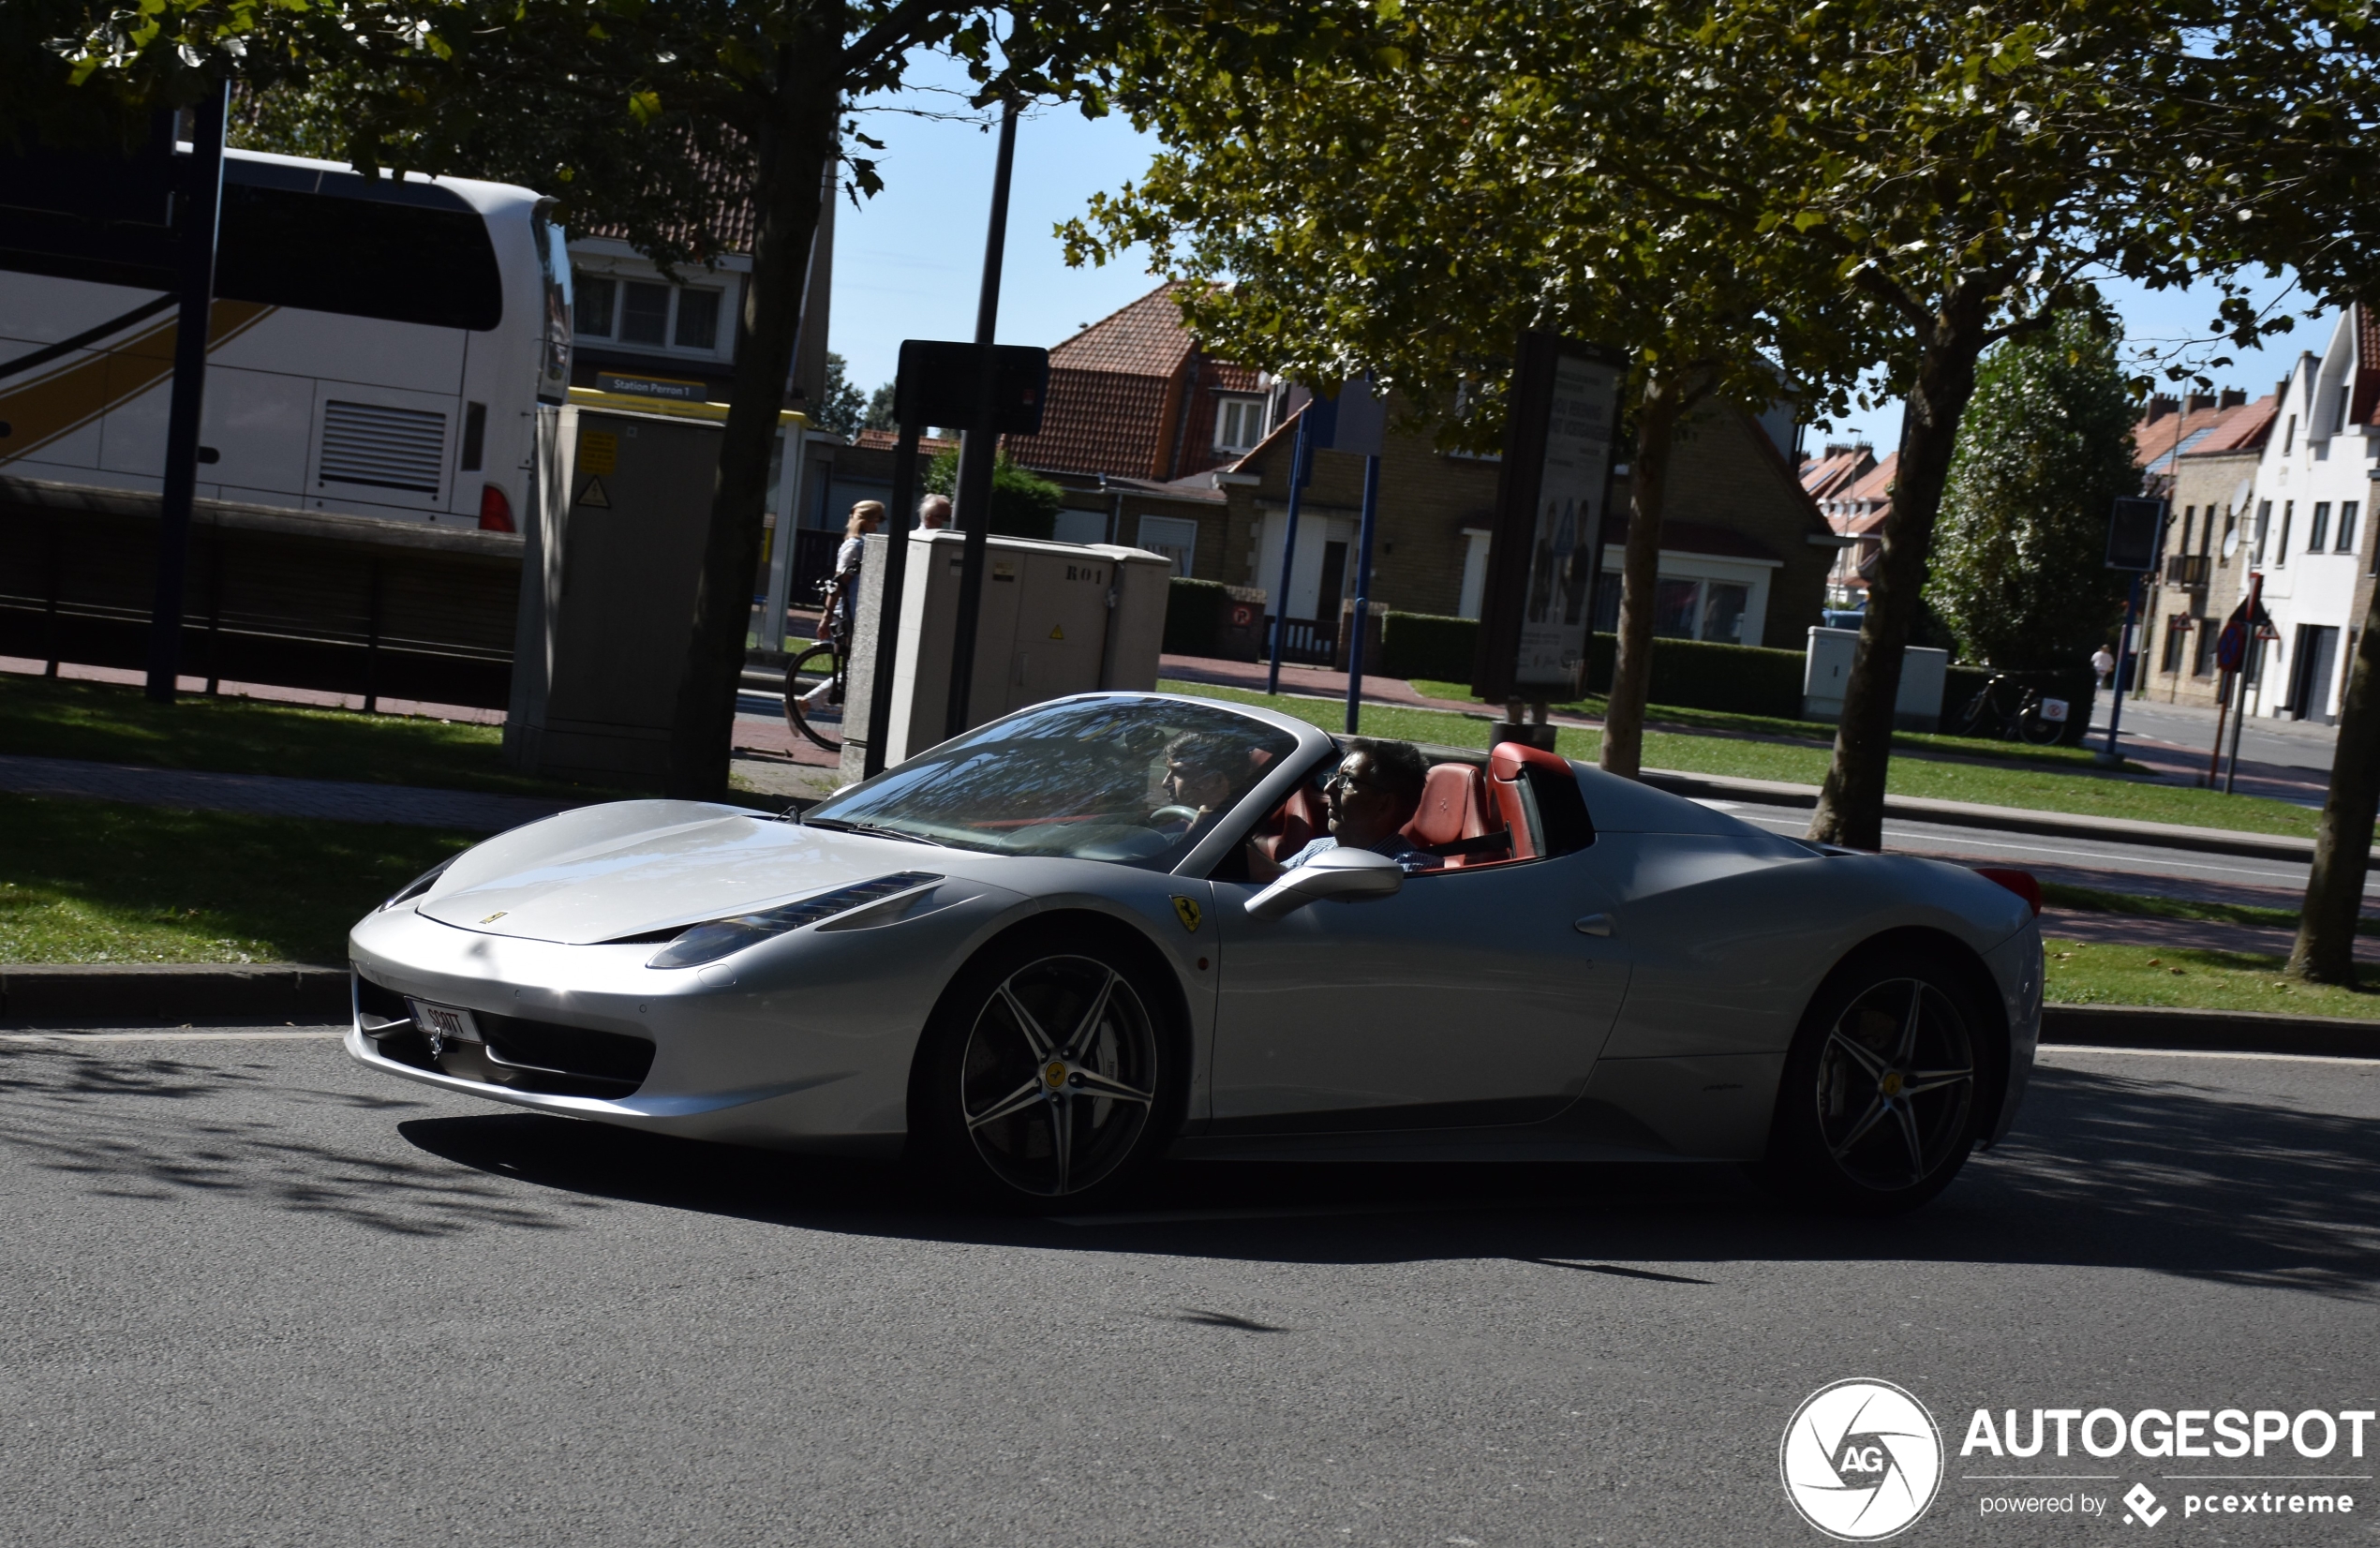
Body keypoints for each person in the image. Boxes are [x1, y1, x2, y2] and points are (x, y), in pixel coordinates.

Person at [1259, 737, 1443, 879]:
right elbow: (1273, 882)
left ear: (1384, 804)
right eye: (1334, 777)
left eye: (1346, 781)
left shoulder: (1410, 869)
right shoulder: (1317, 848)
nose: (1328, 788)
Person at [798, 501, 883, 712]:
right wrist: (826, 618)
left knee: (860, 665)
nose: (880, 525)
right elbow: (837, 585)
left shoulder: (862, 544)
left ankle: (810, 701)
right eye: (879, 519)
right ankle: (808, 701)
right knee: (862, 666)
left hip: (859, 613)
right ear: (868, 520)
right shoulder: (856, 546)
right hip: (851, 615)